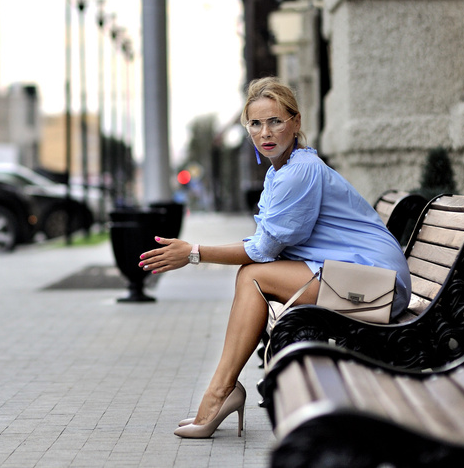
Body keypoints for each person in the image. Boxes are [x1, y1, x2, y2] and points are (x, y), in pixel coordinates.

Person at [138, 77, 411, 439]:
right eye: (255, 123)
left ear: (295, 123)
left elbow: (264, 251)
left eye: (275, 121)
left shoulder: (300, 171)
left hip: (379, 288)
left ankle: (220, 391)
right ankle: (222, 389)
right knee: (251, 274)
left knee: (253, 274)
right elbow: (264, 243)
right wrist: (196, 252)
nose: (264, 132)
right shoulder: (282, 171)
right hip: (357, 279)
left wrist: (193, 253)